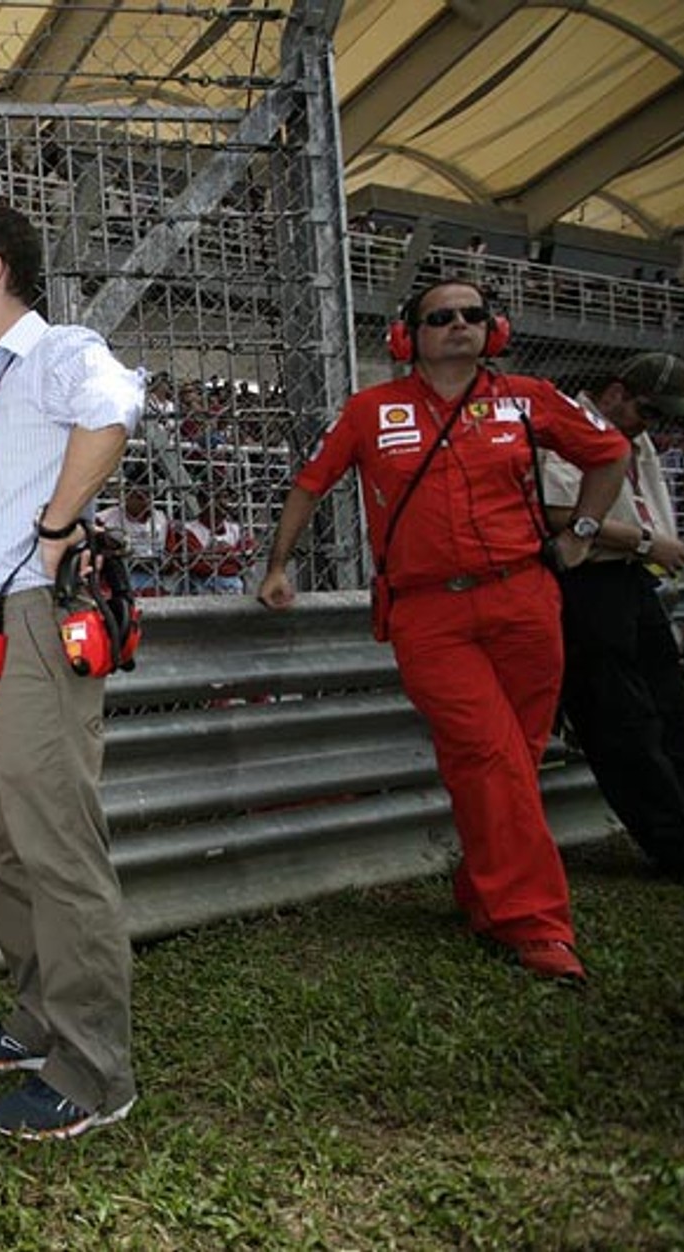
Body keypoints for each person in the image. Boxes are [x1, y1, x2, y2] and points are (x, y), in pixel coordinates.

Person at [256, 279, 629, 982]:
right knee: (492, 756)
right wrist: (278, 567)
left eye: (472, 315)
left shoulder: (527, 397)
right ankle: (537, 924)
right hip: (429, 614)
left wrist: (580, 535)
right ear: (408, 337)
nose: (458, 325)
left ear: (495, 327)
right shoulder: (371, 410)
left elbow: (609, 456)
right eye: (440, 317)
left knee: (503, 759)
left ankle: (483, 892)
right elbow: (310, 484)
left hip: (525, 600)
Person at [0, 205, 144, 1140]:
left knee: (57, 846)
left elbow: (114, 409)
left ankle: (95, 1072)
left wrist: (54, 534)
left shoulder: (60, 352)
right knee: (3, 840)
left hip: (30, 623)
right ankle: (37, 1022)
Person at [539, 352, 684, 883]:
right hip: (588, 581)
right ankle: (679, 844)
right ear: (615, 391)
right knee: (624, 720)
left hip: (634, 578)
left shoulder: (635, 441)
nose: (650, 425)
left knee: (677, 708)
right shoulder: (566, 425)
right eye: (646, 410)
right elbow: (555, 513)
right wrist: (643, 539)